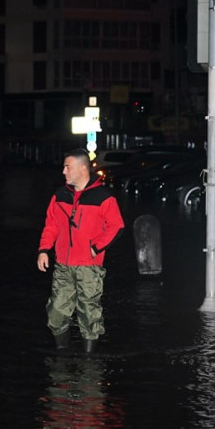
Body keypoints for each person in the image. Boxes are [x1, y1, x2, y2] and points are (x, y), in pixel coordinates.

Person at [37, 148, 124, 354]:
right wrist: (43, 250)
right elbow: (51, 225)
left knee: (89, 313)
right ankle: (62, 354)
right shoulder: (60, 195)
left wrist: (96, 247)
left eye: (68, 167)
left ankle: (89, 361)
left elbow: (116, 226)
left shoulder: (103, 197)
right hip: (63, 265)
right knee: (56, 312)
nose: (64, 171)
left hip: (89, 266)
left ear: (82, 169)